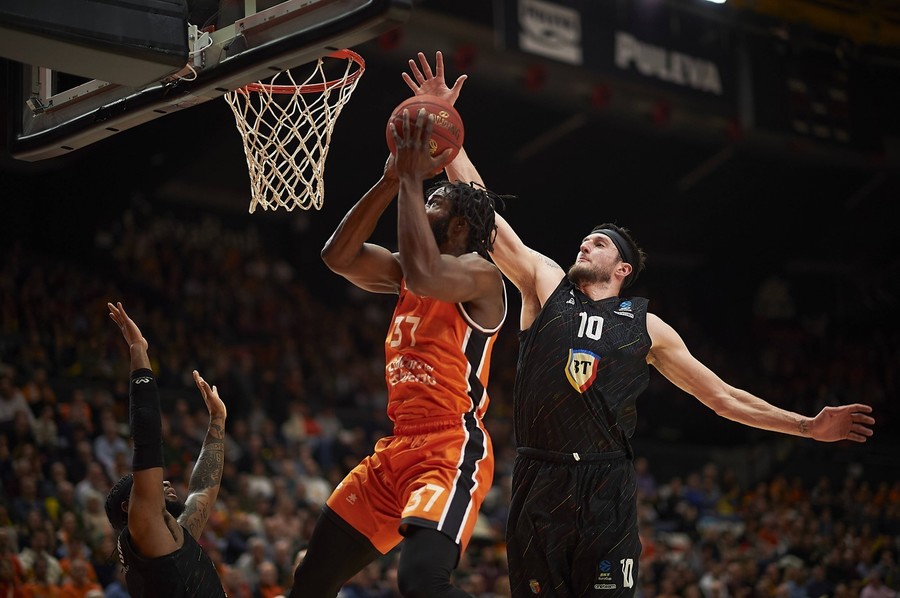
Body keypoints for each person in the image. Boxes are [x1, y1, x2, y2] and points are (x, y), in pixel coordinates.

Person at [420, 58, 878, 597]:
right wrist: (448, 136)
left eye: (599, 241)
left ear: (623, 270)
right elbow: (484, 218)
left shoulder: (648, 326)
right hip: (540, 481)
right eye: (584, 238)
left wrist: (805, 426)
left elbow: (723, 398)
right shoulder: (546, 286)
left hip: (607, 486)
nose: (584, 243)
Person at [288, 52, 507, 597]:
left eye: (435, 199)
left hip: (449, 449)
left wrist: (412, 180)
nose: (424, 197)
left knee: (421, 582)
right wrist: (391, 181)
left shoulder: (480, 276)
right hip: (397, 449)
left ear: (458, 226)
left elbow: (430, 274)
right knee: (310, 579)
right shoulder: (405, 270)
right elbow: (337, 256)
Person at [103, 302, 228, 598]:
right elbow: (146, 437)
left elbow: (203, 489)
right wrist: (138, 349)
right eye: (153, 483)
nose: (166, 481)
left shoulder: (167, 537)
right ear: (130, 505)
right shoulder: (143, 527)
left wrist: (217, 421)